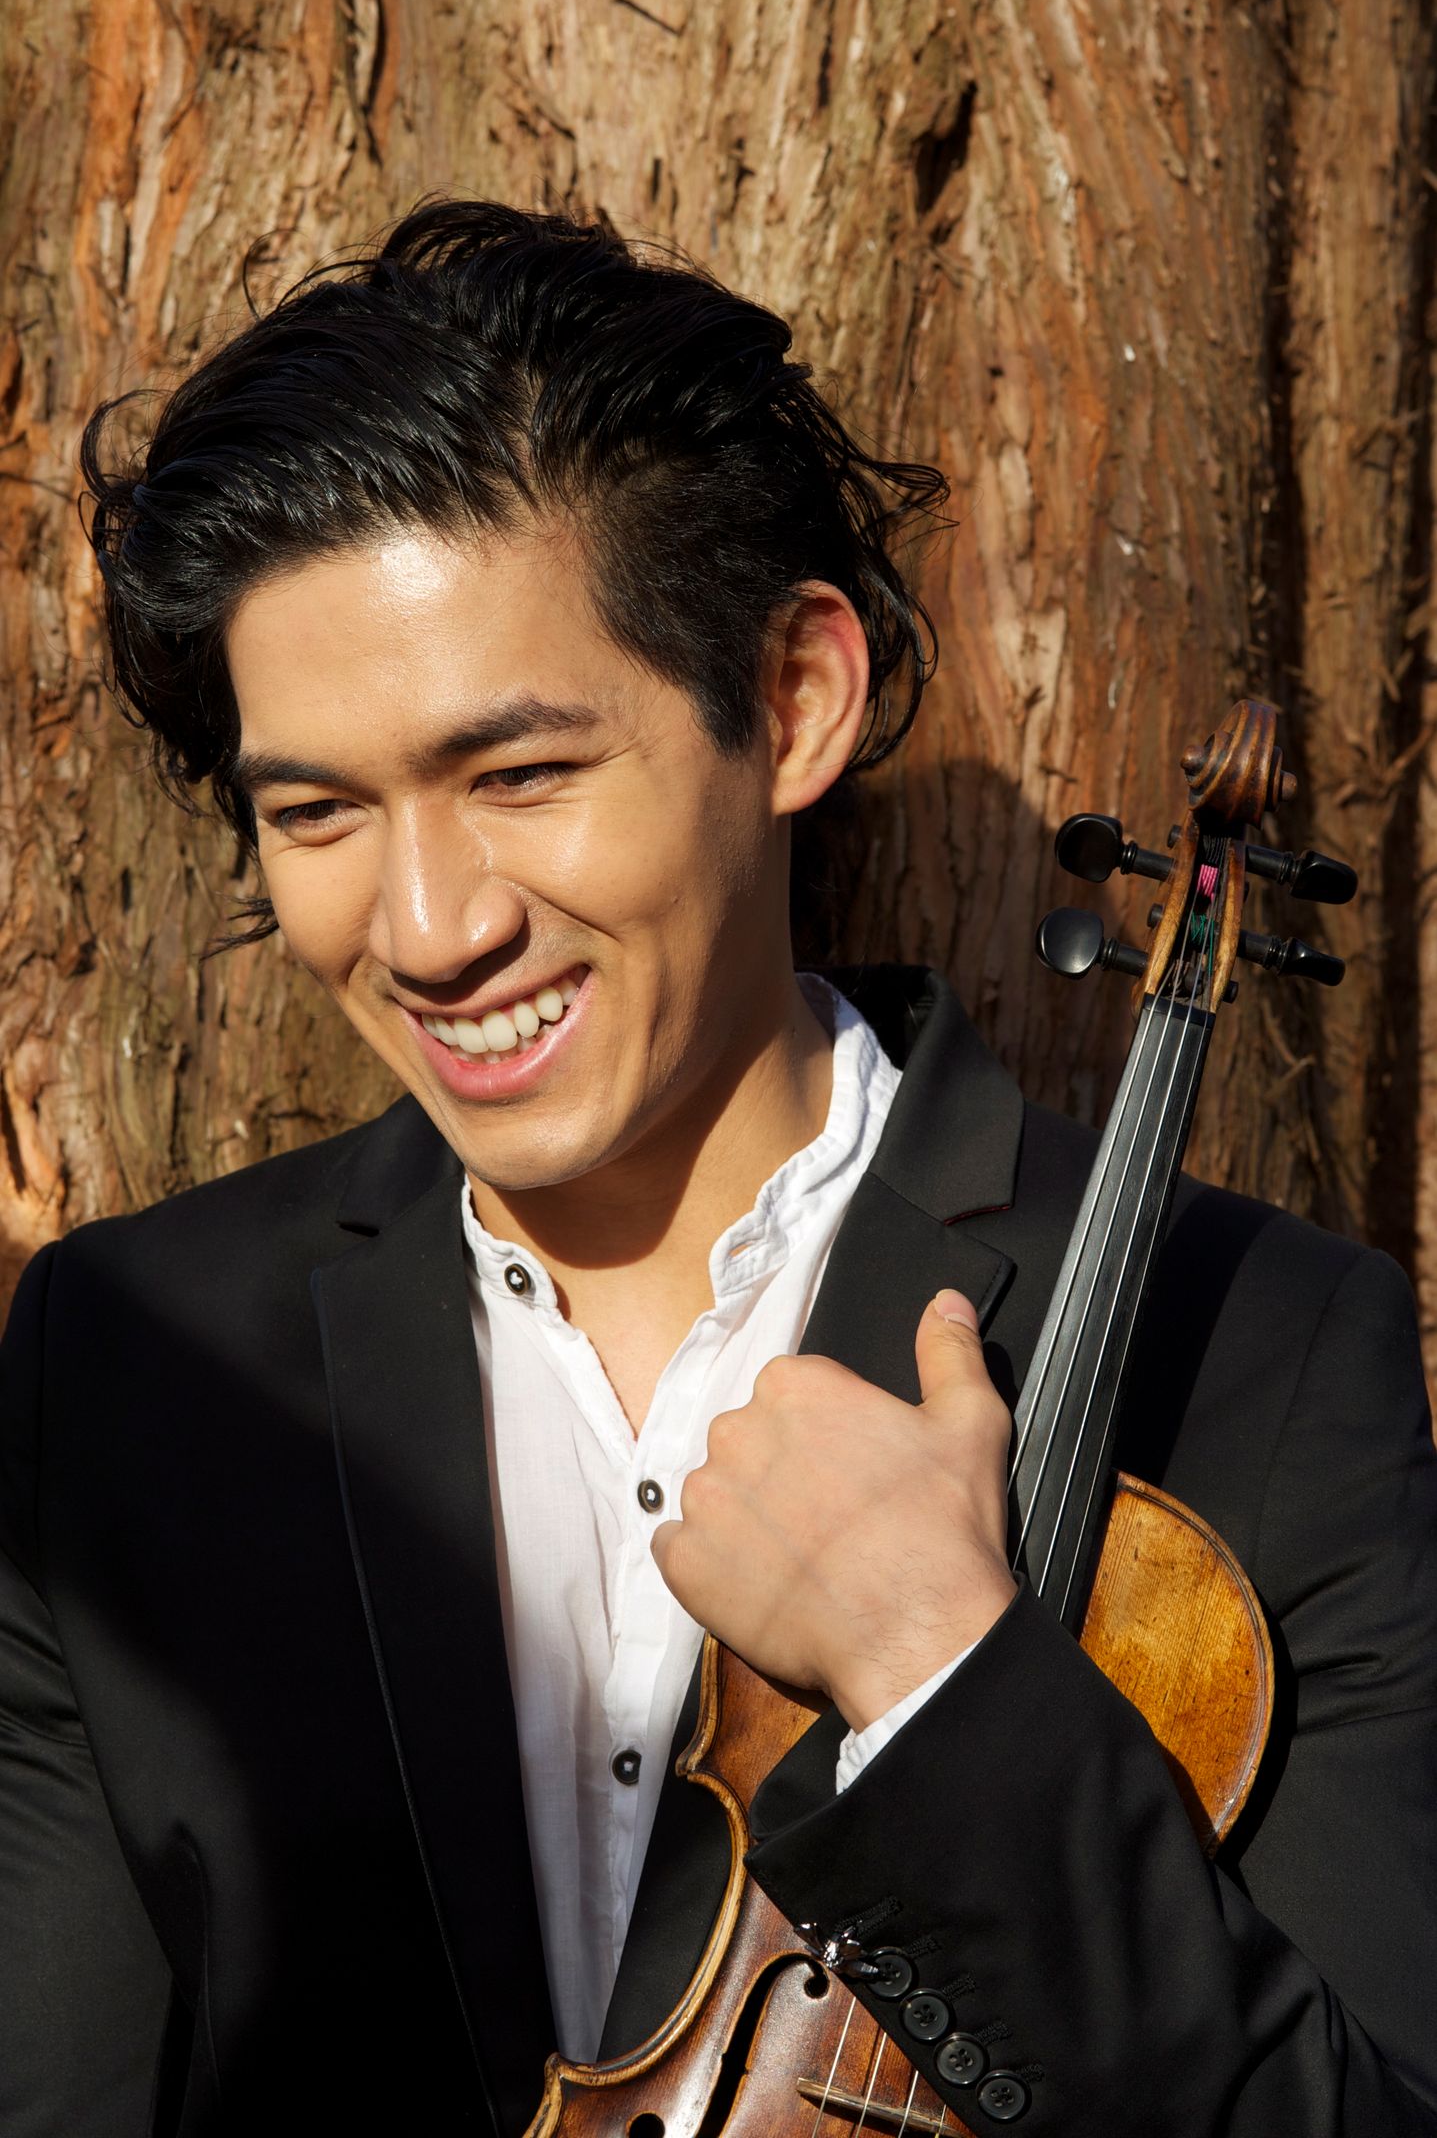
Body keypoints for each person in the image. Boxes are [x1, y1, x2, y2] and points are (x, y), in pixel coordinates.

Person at [1, 201, 1433, 2138]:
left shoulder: (1262, 1351)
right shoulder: (130, 1358)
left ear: (791, 700)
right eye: (318, 810)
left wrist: (941, 1678)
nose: (426, 929)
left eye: (519, 776)